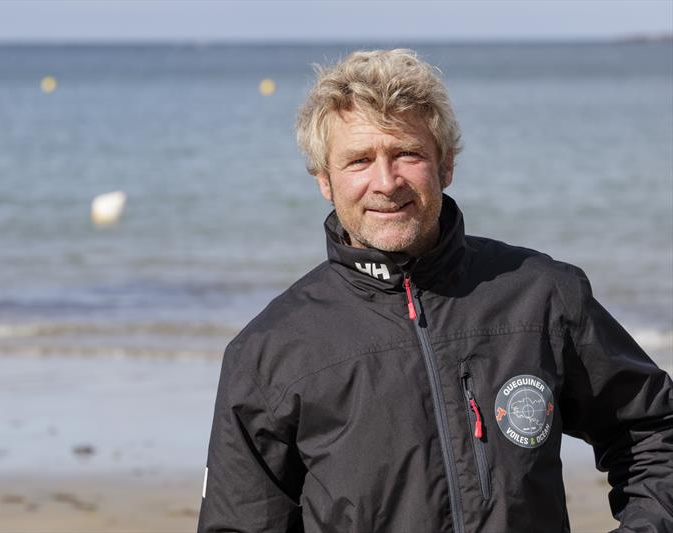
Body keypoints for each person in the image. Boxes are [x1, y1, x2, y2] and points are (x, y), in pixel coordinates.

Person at [197, 49, 673, 532]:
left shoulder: (542, 295)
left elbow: (653, 429)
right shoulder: (268, 354)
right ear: (324, 179)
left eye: (407, 153)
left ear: (445, 165)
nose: (386, 183)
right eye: (359, 160)